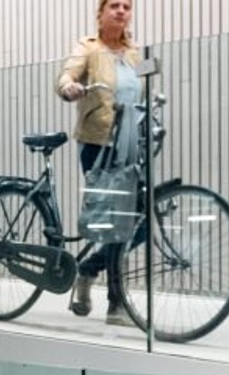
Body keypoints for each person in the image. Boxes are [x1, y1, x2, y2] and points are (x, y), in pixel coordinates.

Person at [56, 0, 144, 327]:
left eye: (126, 6)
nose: (121, 11)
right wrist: (69, 86)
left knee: (143, 218)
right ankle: (116, 304)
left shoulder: (134, 53)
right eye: (114, 5)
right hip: (98, 143)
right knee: (114, 222)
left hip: (131, 144)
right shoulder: (89, 47)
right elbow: (67, 75)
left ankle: (90, 268)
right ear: (101, 13)